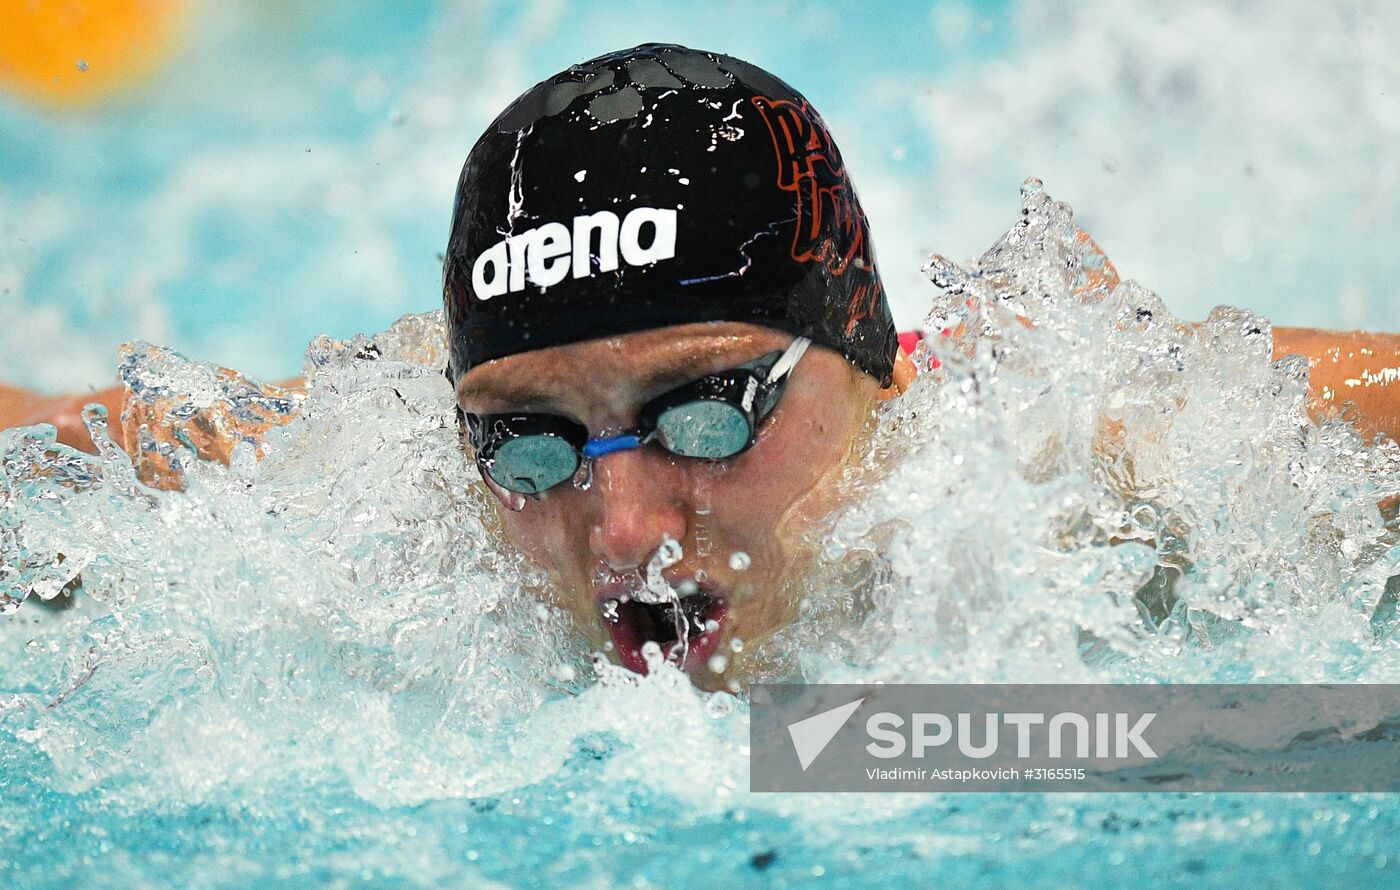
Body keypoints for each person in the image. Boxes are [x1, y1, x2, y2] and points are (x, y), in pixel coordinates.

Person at [3, 44, 1398, 691]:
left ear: (868, 359)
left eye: (708, 416)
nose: (623, 530)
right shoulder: (372, 496)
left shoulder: (1092, 450)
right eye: (530, 447)